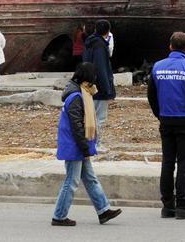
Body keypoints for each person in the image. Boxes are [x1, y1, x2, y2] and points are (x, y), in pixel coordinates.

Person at [50, 61, 123, 227]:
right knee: (72, 180)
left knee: (90, 178)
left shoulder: (80, 92)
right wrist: (84, 147)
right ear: (88, 77)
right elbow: (77, 126)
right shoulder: (76, 97)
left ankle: (103, 210)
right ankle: (59, 216)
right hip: (74, 145)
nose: (95, 78)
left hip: (77, 144)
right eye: (94, 75)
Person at [148, 31, 185, 220]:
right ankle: (183, 205)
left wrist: (160, 114)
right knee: (183, 163)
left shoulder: (157, 67)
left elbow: (151, 96)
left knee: (167, 162)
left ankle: (167, 205)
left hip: (166, 119)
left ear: (170, 46)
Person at [82, 20, 115, 150]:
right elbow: (101, 68)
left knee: (90, 115)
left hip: (90, 84)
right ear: (108, 32)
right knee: (99, 118)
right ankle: (95, 144)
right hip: (99, 87)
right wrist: (107, 88)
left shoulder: (89, 43)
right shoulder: (100, 46)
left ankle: (89, 142)